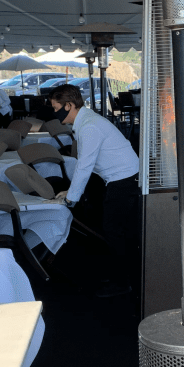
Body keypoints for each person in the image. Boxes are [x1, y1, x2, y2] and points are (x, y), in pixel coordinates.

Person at [49, 84, 140, 298]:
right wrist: (71, 192)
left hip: (124, 180)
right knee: (117, 231)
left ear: (68, 105)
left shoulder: (89, 126)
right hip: (122, 178)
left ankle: (124, 283)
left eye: (56, 108)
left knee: (114, 231)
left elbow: (85, 165)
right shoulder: (87, 121)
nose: (54, 113)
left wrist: (71, 198)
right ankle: (125, 277)